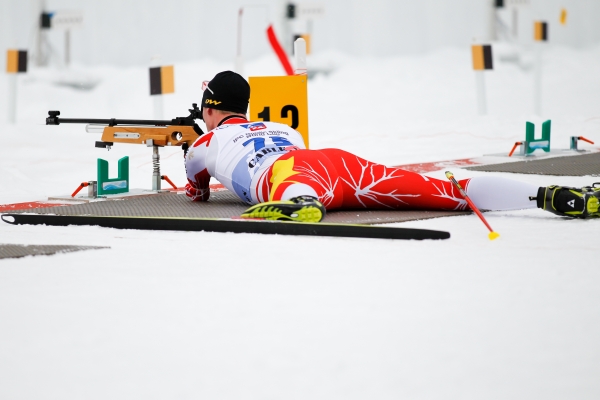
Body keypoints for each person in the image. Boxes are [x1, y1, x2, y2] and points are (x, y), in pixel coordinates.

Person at [184, 71, 600, 222]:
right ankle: (546, 195)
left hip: (292, 174)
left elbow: (197, 187)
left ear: (212, 109)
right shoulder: (282, 127)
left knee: (292, 181)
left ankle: (303, 205)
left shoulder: (207, 140)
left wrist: (198, 186)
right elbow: (297, 152)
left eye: (205, 110)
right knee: (444, 191)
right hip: (337, 162)